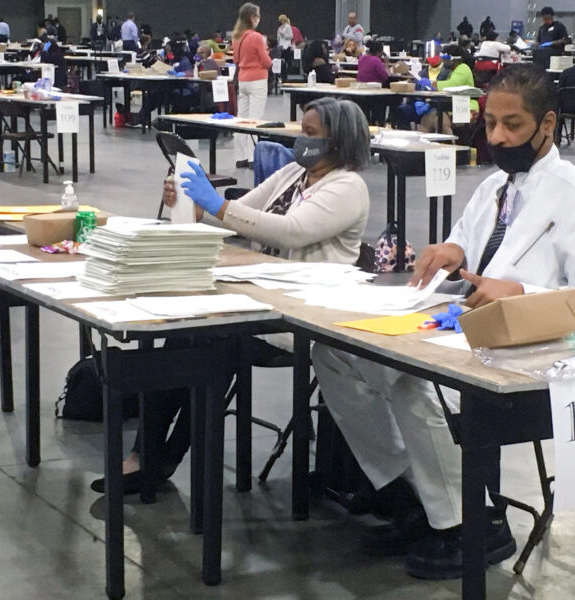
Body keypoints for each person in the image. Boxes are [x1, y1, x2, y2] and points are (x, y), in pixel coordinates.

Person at [311, 63, 575, 581]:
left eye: (513, 125)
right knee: (337, 355)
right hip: (466, 333)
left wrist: (520, 292)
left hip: (533, 354)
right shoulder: (494, 188)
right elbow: (471, 253)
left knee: (416, 384)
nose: (497, 136)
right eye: (490, 123)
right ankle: (409, 498)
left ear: (548, 124)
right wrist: (453, 251)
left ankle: (473, 523)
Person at [89, 97, 371, 496]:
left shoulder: (348, 187)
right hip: (262, 295)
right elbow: (240, 212)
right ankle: (149, 454)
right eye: (301, 131)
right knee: (184, 330)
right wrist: (191, 201)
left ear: (339, 142)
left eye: (311, 134)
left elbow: (288, 230)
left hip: (304, 315)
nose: (300, 141)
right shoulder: (294, 172)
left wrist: (216, 203)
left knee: (208, 340)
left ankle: (158, 458)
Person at [231, 2, 271, 168]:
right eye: (258, 16)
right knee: (255, 119)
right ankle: (252, 157)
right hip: (258, 80)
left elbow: (235, 60)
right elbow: (266, 61)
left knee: (241, 119)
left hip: (243, 79)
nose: (259, 19)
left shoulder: (236, 36)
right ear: (252, 18)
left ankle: (240, 157)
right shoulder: (256, 37)